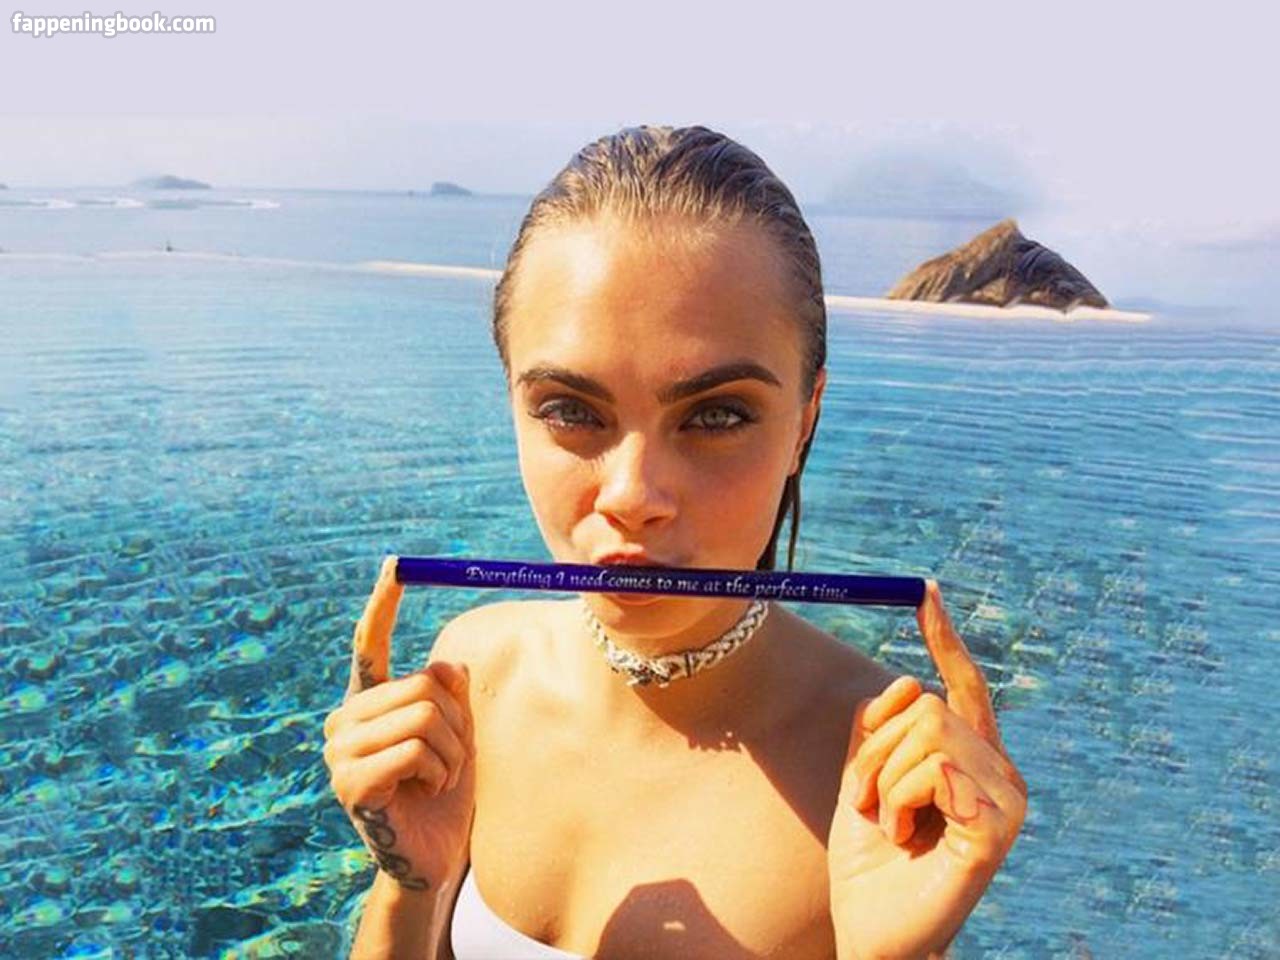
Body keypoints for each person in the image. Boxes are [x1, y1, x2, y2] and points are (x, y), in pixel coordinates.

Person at [323, 125, 1028, 959]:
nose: (632, 497)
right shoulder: (474, 670)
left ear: (805, 420)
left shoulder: (881, 776)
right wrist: (409, 883)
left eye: (717, 415)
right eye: (570, 410)